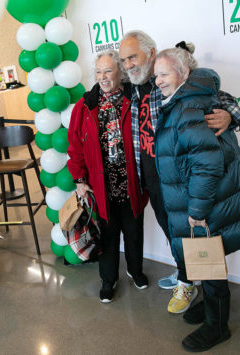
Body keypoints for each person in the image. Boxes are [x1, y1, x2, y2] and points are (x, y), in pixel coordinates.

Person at [152, 45, 240, 351]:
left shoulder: (187, 107)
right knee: (207, 261)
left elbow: (207, 164)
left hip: (202, 204)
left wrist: (196, 209)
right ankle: (212, 309)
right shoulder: (185, 100)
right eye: (156, 75)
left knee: (207, 263)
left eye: (164, 74)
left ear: (183, 74)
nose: (158, 81)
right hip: (203, 200)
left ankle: (217, 326)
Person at [118, 31, 240, 314]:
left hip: (178, 178)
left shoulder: (171, 77)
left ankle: (190, 283)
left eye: (133, 57)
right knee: (173, 233)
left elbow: (219, 96)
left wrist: (228, 115)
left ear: (151, 53)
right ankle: (186, 275)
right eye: (123, 60)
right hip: (151, 178)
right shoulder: (130, 87)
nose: (127, 65)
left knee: (194, 235)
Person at [67, 50, 148, 303]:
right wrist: (80, 180)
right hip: (100, 187)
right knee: (108, 237)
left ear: (120, 73)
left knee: (134, 232)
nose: (103, 77)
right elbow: (75, 147)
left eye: (109, 71)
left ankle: (135, 271)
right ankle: (108, 280)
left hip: (131, 184)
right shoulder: (84, 105)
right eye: (99, 71)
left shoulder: (133, 98)